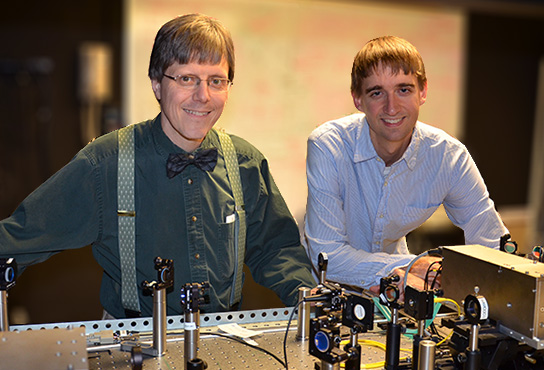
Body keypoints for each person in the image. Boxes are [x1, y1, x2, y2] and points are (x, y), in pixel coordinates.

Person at [0, 13, 315, 318]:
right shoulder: (106, 164)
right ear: (156, 84)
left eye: (216, 81)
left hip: (225, 338)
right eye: (187, 78)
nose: (203, 96)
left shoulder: (245, 162)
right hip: (132, 342)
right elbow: (22, 237)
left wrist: (307, 294)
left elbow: (277, 250)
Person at [304, 36, 507, 296]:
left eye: (404, 90)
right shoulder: (328, 146)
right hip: (326, 293)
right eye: (377, 92)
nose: (392, 107)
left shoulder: (448, 156)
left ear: (423, 91)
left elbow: (492, 243)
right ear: (357, 100)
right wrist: (419, 266)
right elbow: (328, 258)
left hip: (400, 290)